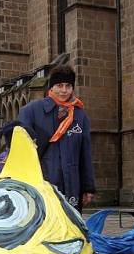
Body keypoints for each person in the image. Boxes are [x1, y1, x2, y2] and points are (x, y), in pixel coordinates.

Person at [17, 64, 95, 211]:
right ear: (51, 87)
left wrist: (88, 187)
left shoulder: (80, 115)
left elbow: (85, 154)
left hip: (72, 186)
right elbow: (20, 151)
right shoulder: (31, 111)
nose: (64, 90)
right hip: (41, 184)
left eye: (68, 86)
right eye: (59, 85)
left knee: (71, 229)